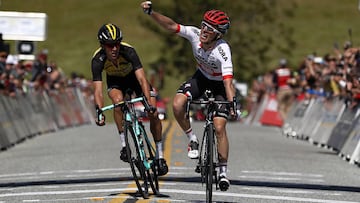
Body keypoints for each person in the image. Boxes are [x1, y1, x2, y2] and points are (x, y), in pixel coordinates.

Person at [140, 1, 236, 191]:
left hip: (219, 86)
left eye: (210, 28)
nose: (204, 30)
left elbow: (227, 82)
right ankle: (192, 138)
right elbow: (170, 25)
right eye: (203, 25)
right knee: (177, 104)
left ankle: (223, 172)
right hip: (200, 78)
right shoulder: (194, 34)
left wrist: (232, 102)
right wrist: (151, 13)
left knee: (219, 127)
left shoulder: (223, 50)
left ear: (218, 34)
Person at [91, 23, 168, 176]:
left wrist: (147, 102)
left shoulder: (129, 51)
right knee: (117, 103)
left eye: (116, 44)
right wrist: (99, 112)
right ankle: (125, 146)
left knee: (153, 113)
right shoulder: (97, 60)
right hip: (115, 82)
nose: (114, 48)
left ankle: (159, 156)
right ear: (102, 45)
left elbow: (142, 79)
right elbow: (98, 91)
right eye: (110, 45)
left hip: (134, 79)